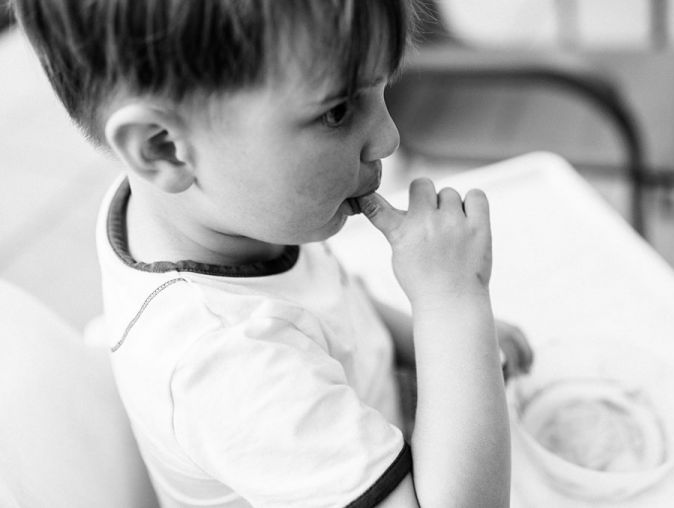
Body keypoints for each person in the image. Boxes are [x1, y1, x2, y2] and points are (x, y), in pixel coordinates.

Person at [12, 0, 532, 506]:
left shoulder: (218, 212)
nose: (389, 139)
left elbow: (332, 301)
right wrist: (453, 305)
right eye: (337, 112)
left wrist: (438, 344)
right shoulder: (232, 365)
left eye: (382, 89)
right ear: (162, 147)